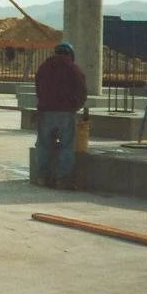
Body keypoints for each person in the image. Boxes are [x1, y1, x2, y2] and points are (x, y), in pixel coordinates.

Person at [32, 41, 89, 190]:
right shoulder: (73, 68)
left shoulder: (44, 67)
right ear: (70, 54)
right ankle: (62, 180)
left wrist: (43, 104)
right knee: (66, 145)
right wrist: (76, 107)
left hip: (46, 112)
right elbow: (82, 91)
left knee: (43, 145)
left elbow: (38, 88)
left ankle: (42, 177)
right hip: (65, 112)